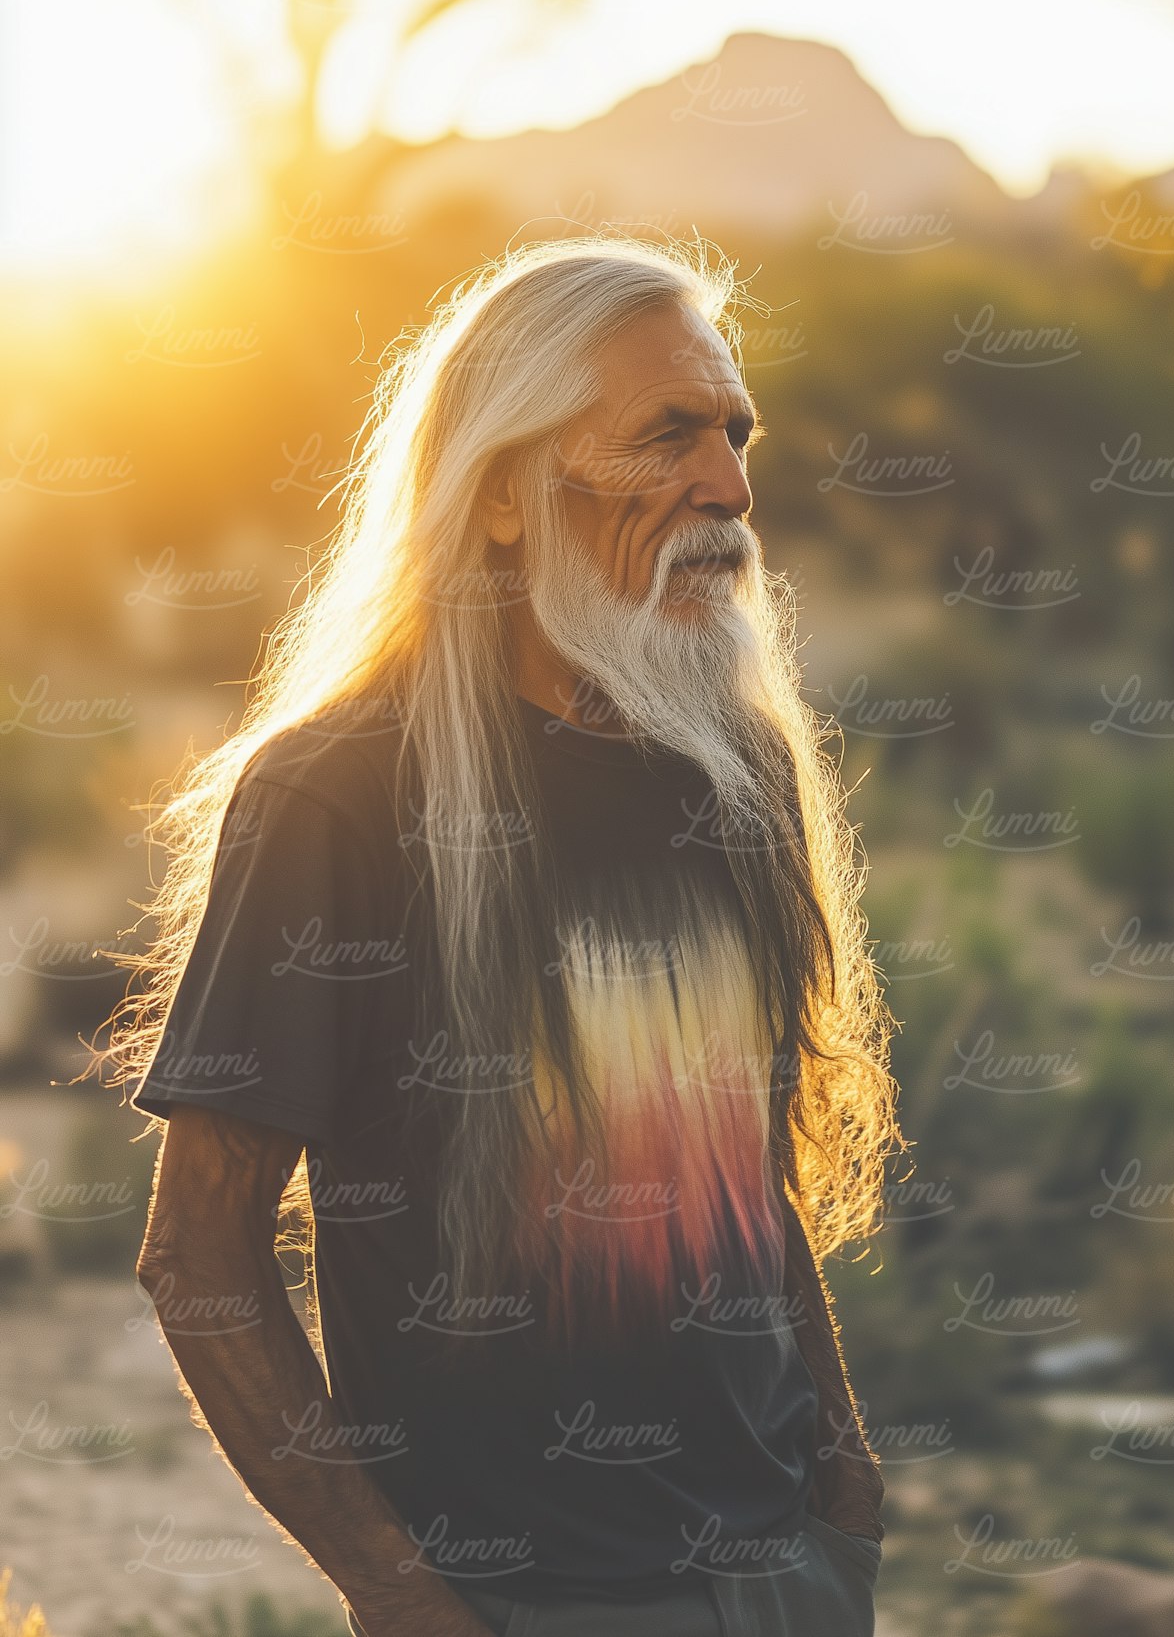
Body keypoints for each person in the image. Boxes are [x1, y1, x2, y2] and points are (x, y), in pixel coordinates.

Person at [110, 236, 904, 1636]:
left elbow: (751, 1170)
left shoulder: (736, 772)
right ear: (495, 497)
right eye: (664, 436)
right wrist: (399, 1591)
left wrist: (846, 1487)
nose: (727, 484)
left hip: (782, 1575)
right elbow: (199, 1258)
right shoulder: (337, 797)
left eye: (733, 431)